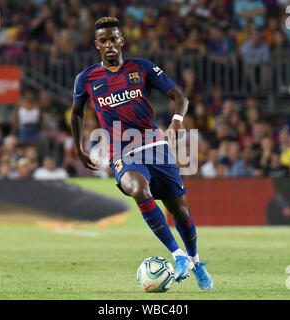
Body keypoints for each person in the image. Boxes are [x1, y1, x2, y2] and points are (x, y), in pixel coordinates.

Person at [70, 17, 213, 290]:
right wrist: (79, 149)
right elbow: (77, 114)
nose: (109, 45)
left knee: (180, 211)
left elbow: (180, 97)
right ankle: (178, 255)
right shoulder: (86, 79)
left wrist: (177, 121)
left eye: (114, 39)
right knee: (138, 188)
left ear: (122, 40)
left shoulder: (142, 68)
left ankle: (195, 261)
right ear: (96, 45)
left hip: (154, 145)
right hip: (121, 150)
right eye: (103, 41)